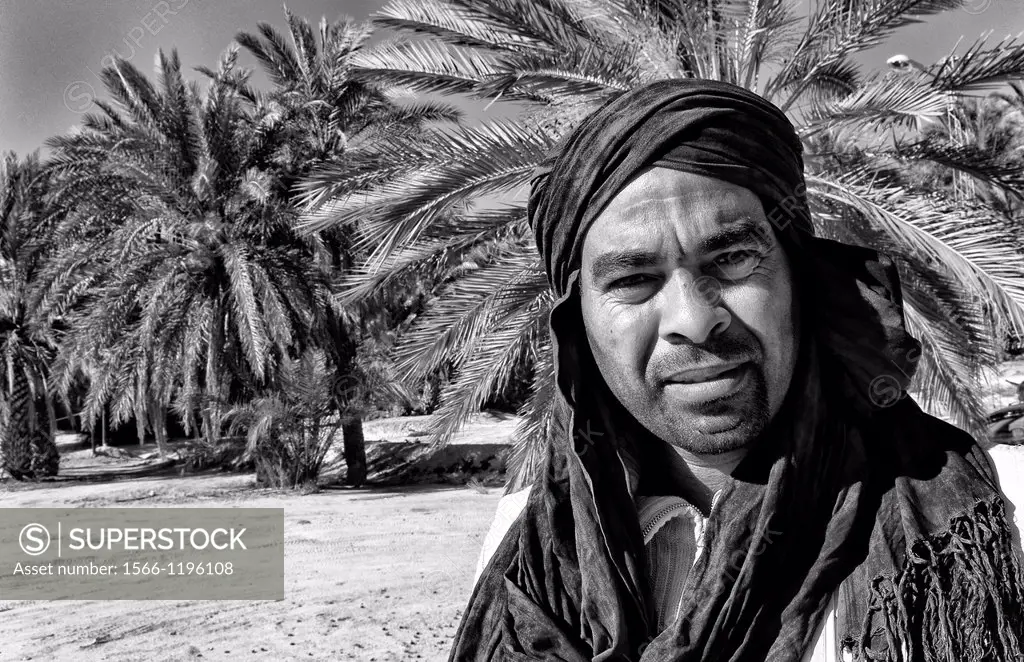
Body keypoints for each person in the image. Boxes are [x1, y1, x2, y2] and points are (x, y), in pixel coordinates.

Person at [449, 79, 1024, 662]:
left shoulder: (994, 513)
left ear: (802, 277)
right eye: (632, 280)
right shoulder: (527, 551)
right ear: (579, 328)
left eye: (733, 258)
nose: (694, 321)